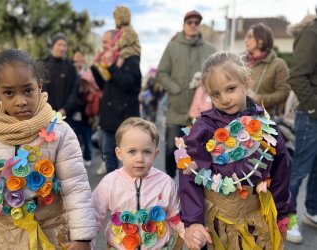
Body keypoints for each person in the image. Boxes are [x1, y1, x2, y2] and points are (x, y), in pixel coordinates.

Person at [0, 49, 96, 249]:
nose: (21, 101)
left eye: (28, 90)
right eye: (9, 92)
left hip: (49, 236)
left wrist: (82, 238)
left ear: (39, 86)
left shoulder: (60, 132)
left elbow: (76, 187)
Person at [177, 51, 295, 249]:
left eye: (230, 89)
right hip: (214, 222)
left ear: (246, 81)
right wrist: (193, 220)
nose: (224, 99)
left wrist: (282, 213)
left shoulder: (267, 127)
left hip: (254, 221)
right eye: (215, 94)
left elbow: (281, 171)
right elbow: (190, 176)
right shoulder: (203, 129)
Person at [92, 117, 185, 249]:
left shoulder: (166, 183)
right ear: (119, 153)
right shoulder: (109, 183)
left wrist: (187, 233)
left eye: (147, 152)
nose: (140, 159)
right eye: (132, 152)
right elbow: (94, 216)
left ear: (155, 153)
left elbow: (175, 215)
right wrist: (83, 240)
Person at [157, 10, 216, 179]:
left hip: (201, 111)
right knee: (170, 150)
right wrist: (176, 89)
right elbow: (161, 73)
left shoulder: (209, 49)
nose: (193, 25)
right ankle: (169, 179)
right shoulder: (172, 47)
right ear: (183, 25)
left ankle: (189, 189)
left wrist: (206, 83)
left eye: (196, 23)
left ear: (200, 26)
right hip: (176, 109)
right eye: (189, 22)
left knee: (196, 154)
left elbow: (217, 74)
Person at [91, 30, 141, 174]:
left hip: (124, 116)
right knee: (107, 153)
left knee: (128, 154)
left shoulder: (130, 59)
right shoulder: (110, 59)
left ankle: (127, 186)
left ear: (115, 42)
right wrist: (96, 67)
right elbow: (104, 85)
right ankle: (113, 185)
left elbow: (128, 84)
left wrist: (111, 66)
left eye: (106, 42)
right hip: (109, 114)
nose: (103, 45)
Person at [286, 14, 317, 244]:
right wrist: (314, 109)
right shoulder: (311, 33)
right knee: (299, 169)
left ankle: (312, 211)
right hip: (309, 115)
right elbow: (296, 76)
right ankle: (288, 219)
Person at [242, 22, 290, 117]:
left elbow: (284, 93)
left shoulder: (278, 64)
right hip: (236, 118)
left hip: (264, 120)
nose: (245, 40)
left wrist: (258, 98)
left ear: (261, 41)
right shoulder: (239, 61)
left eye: (249, 36)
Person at [71, 50, 101, 167]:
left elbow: (95, 88)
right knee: (72, 137)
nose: (78, 59)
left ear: (83, 59)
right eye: (76, 57)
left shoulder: (88, 72)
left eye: (80, 57)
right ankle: (74, 158)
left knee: (86, 135)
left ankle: (88, 157)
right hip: (71, 109)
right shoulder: (70, 71)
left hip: (86, 109)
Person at [95, 6, 141, 82]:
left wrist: (113, 49)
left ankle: (111, 72)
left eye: (115, 18)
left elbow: (124, 41)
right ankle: (110, 72)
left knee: (120, 58)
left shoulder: (128, 30)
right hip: (125, 51)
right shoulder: (121, 31)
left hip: (130, 51)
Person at [41, 32, 79, 124]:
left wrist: (65, 109)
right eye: (59, 44)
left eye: (64, 45)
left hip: (65, 116)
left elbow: (75, 91)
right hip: (43, 114)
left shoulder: (70, 67)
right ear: (52, 46)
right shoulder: (42, 64)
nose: (62, 48)